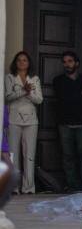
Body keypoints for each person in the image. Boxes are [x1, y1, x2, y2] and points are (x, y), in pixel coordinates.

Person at [52, 51, 82, 191]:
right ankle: (72, 185)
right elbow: (64, 100)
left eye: (70, 61)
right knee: (68, 155)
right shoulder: (58, 81)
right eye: (64, 62)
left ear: (77, 63)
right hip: (65, 123)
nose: (67, 64)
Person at [5, 51, 43, 193]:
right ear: (15, 63)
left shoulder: (34, 79)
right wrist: (23, 91)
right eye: (19, 60)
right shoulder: (9, 78)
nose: (22, 62)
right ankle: (13, 187)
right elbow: (7, 97)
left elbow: (39, 100)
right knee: (13, 154)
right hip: (13, 119)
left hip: (31, 120)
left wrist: (28, 93)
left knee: (29, 155)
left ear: (28, 63)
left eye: (25, 60)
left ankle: (29, 188)